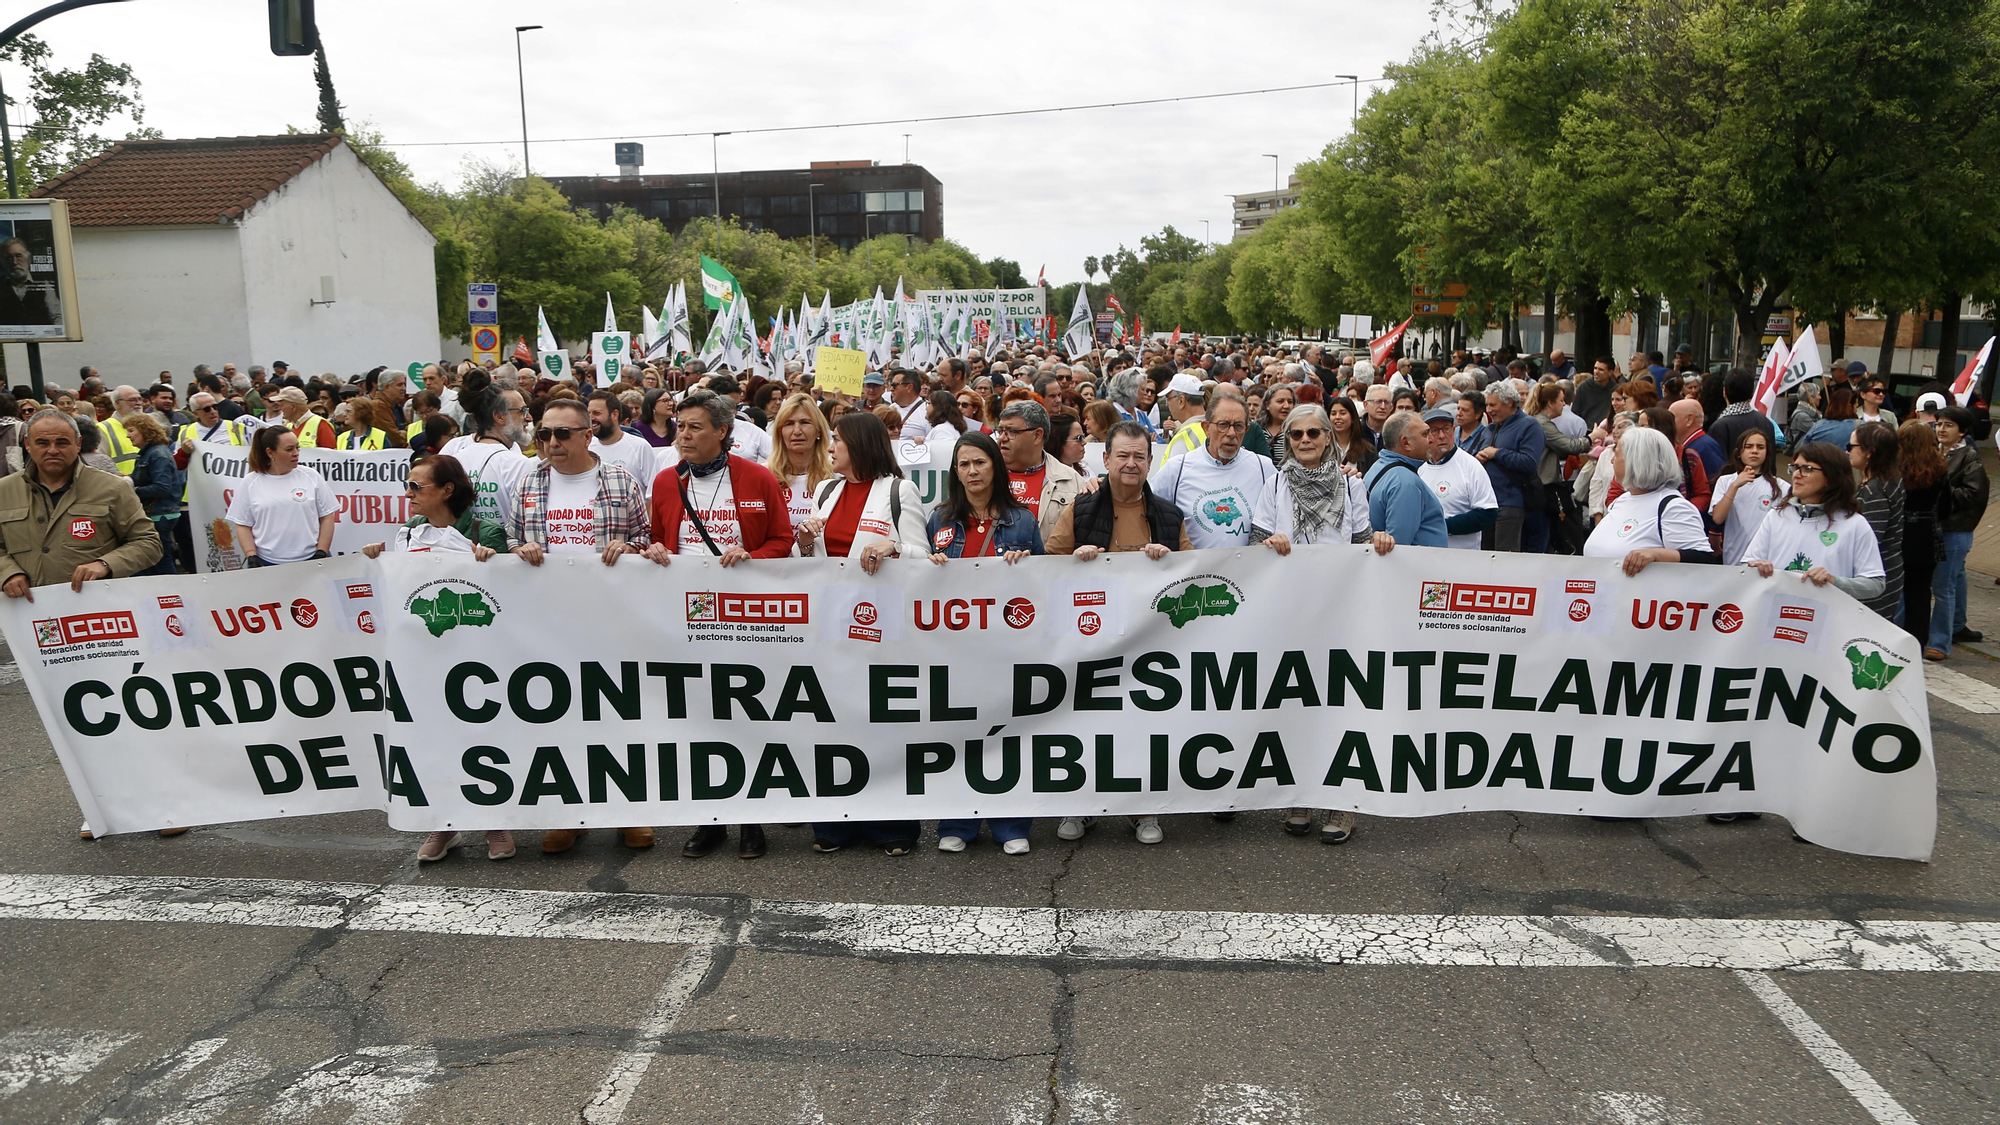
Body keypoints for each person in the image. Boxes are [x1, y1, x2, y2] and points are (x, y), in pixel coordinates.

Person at [1, 409, 172, 839]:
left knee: (133, 715)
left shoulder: (111, 488)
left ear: (79, 445)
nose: (52, 450)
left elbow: (148, 543)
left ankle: (166, 804)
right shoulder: (3, 492)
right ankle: (100, 809)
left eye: (62, 442)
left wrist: (106, 563)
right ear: (28, 446)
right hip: (43, 633)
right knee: (75, 724)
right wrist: (6, 571)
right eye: (42, 442)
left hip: (106, 627)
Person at [643, 388, 792, 861]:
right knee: (699, 721)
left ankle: (751, 820)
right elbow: (655, 538)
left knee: (746, 718)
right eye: (679, 426)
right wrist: (654, 550)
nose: (682, 435)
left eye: (694, 427)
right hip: (685, 617)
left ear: (722, 432)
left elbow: (782, 539)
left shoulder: (757, 477)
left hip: (745, 620)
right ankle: (709, 819)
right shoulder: (667, 481)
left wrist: (753, 554)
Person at [506, 398, 655, 855]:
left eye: (563, 434)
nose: (551, 442)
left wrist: (629, 551)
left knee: (618, 717)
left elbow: (646, 539)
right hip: (549, 621)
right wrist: (518, 550)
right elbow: (511, 536)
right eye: (545, 434)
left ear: (587, 436)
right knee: (559, 719)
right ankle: (569, 812)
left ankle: (630, 811)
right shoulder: (528, 481)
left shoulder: (619, 479)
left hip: (611, 619)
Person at [1046, 421, 1189, 846]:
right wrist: (1076, 558)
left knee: (1144, 728)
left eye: (1139, 457)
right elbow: (1047, 567)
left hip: (1151, 645)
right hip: (1090, 640)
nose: (1130, 464)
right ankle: (1083, 805)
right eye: (1122, 456)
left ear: (1150, 462)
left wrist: (1169, 561)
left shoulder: (1168, 515)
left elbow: (1192, 574)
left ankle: (1144, 808)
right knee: (1087, 724)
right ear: (1105, 460)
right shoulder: (1080, 509)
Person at [795, 412, 928, 856]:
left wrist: (894, 546)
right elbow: (815, 558)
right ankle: (836, 824)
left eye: (838, 441)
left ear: (862, 445)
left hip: (881, 628)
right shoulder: (826, 490)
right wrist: (805, 537)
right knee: (834, 723)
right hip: (831, 627)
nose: (830, 448)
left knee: (882, 724)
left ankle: (892, 826)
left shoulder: (898, 490)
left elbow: (923, 557)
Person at [925, 431, 1042, 855]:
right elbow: (920, 588)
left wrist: (1026, 565)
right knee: (957, 735)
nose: (972, 471)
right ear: (955, 472)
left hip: (1006, 648)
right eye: (963, 465)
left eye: (980, 462)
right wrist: (931, 565)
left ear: (995, 465)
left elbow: (1045, 586)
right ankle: (958, 822)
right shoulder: (939, 520)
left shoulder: (1023, 520)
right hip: (954, 649)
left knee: (1008, 732)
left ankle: (1011, 824)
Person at [1151, 386, 1275, 549]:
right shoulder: (1177, 468)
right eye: (1223, 425)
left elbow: (1282, 516)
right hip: (1195, 572)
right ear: (1206, 428)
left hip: (1248, 571)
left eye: (1238, 426)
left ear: (1246, 430)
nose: (1231, 433)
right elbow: (1145, 508)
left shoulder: (1263, 467)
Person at [1583, 427, 1718, 573]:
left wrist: (1656, 554)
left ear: (1636, 460)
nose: (1611, 460)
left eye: (1616, 454)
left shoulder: (1672, 507)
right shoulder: (1623, 500)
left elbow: (1704, 561)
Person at [1929, 406, 1990, 659]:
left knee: (1944, 588)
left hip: (1954, 530)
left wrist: (1941, 488)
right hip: (1933, 528)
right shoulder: (1935, 453)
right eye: (1939, 424)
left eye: (1948, 425)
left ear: (1962, 430)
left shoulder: (1970, 458)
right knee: (1943, 582)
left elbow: (1974, 495)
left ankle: (1940, 643)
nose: (1941, 429)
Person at [228, 425, 336, 567]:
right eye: (289, 449)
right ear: (270, 453)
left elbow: (327, 516)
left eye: (297, 448)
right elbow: (242, 524)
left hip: (313, 560)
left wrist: (322, 551)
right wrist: (251, 555)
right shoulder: (250, 482)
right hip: (267, 564)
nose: (296, 453)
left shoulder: (311, 476)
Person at [443, 370, 534, 532]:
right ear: (499, 417)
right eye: (522, 411)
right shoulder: (518, 465)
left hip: (461, 553)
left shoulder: (453, 460)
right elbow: (529, 526)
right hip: (506, 555)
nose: (529, 418)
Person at [991, 400, 1082, 542]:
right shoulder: (984, 477)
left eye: (1011, 431)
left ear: (1037, 435)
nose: (1002, 438)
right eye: (1000, 431)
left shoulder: (1072, 481)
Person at [1362, 411, 1449, 551]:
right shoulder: (1405, 483)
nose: (1432, 439)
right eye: (1425, 434)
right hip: (1417, 569)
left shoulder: (1378, 467)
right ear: (1406, 443)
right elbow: (1397, 547)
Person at [1897, 422, 1949, 651]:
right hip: (1927, 537)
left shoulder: (1895, 469)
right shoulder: (1939, 469)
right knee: (1919, 593)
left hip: (1899, 533)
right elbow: (1947, 507)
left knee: (1892, 590)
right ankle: (1917, 643)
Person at [1417, 407, 1500, 549]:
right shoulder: (1419, 467)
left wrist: (1442, 526)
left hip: (1462, 556)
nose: (1442, 435)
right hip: (1426, 553)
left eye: (1447, 429)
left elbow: (1488, 513)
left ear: (1454, 430)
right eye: (1434, 431)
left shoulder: (1470, 466)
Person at [1477, 380, 1544, 551]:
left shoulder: (1530, 425)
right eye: (1487, 405)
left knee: (1504, 558)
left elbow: (1529, 462)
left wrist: (1497, 453)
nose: (1489, 410)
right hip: (1486, 504)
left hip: (1510, 504)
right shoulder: (1491, 428)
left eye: (1493, 405)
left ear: (1510, 403)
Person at [1849, 421, 1905, 622]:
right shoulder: (1888, 479)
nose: (1848, 452)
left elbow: (1869, 542)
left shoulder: (1876, 492)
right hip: (1889, 570)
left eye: (1852, 447)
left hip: (1876, 577)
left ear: (1870, 452)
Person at [1708, 429, 1789, 565]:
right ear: (1739, 453)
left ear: (1767, 453)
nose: (1755, 451)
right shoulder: (1726, 481)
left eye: (1760, 447)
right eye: (1749, 446)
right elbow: (1718, 518)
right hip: (1734, 558)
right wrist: (1735, 486)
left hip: (1766, 561)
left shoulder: (1780, 486)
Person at [766, 392, 835, 537]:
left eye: (805, 423)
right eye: (789, 424)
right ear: (780, 432)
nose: (797, 431)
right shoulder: (763, 476)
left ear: (818, 431)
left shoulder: (837, 475)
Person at [123, 413, 182, 576]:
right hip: (157, 513)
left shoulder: (158, 454)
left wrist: (131, 490)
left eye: (131, 430)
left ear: (144, 430)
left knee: (161, 560)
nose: (128, 436)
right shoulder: (150, 453)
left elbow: (162, 487)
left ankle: (174, 594)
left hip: (159, 514)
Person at [587, 390, 655, 499]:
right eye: (589, 413)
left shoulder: (640, 446)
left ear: (614, 415)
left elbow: (652, 493)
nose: (591, 418)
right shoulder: (587, 447)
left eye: (597, 413)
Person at [1155, 372, 1208, 461]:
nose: (1167, 404)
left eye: (1168, 399)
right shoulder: (1214, 427)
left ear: (1181, 401)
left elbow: (1172, 474)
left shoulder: (1184, 436)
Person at [1786, 380, 1823, 450]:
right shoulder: (1801, 416)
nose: (1820, 397)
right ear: (1810, 397)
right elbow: (1819, 432)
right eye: (1818, 394)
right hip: (1803, 454)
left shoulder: (1811, 413)